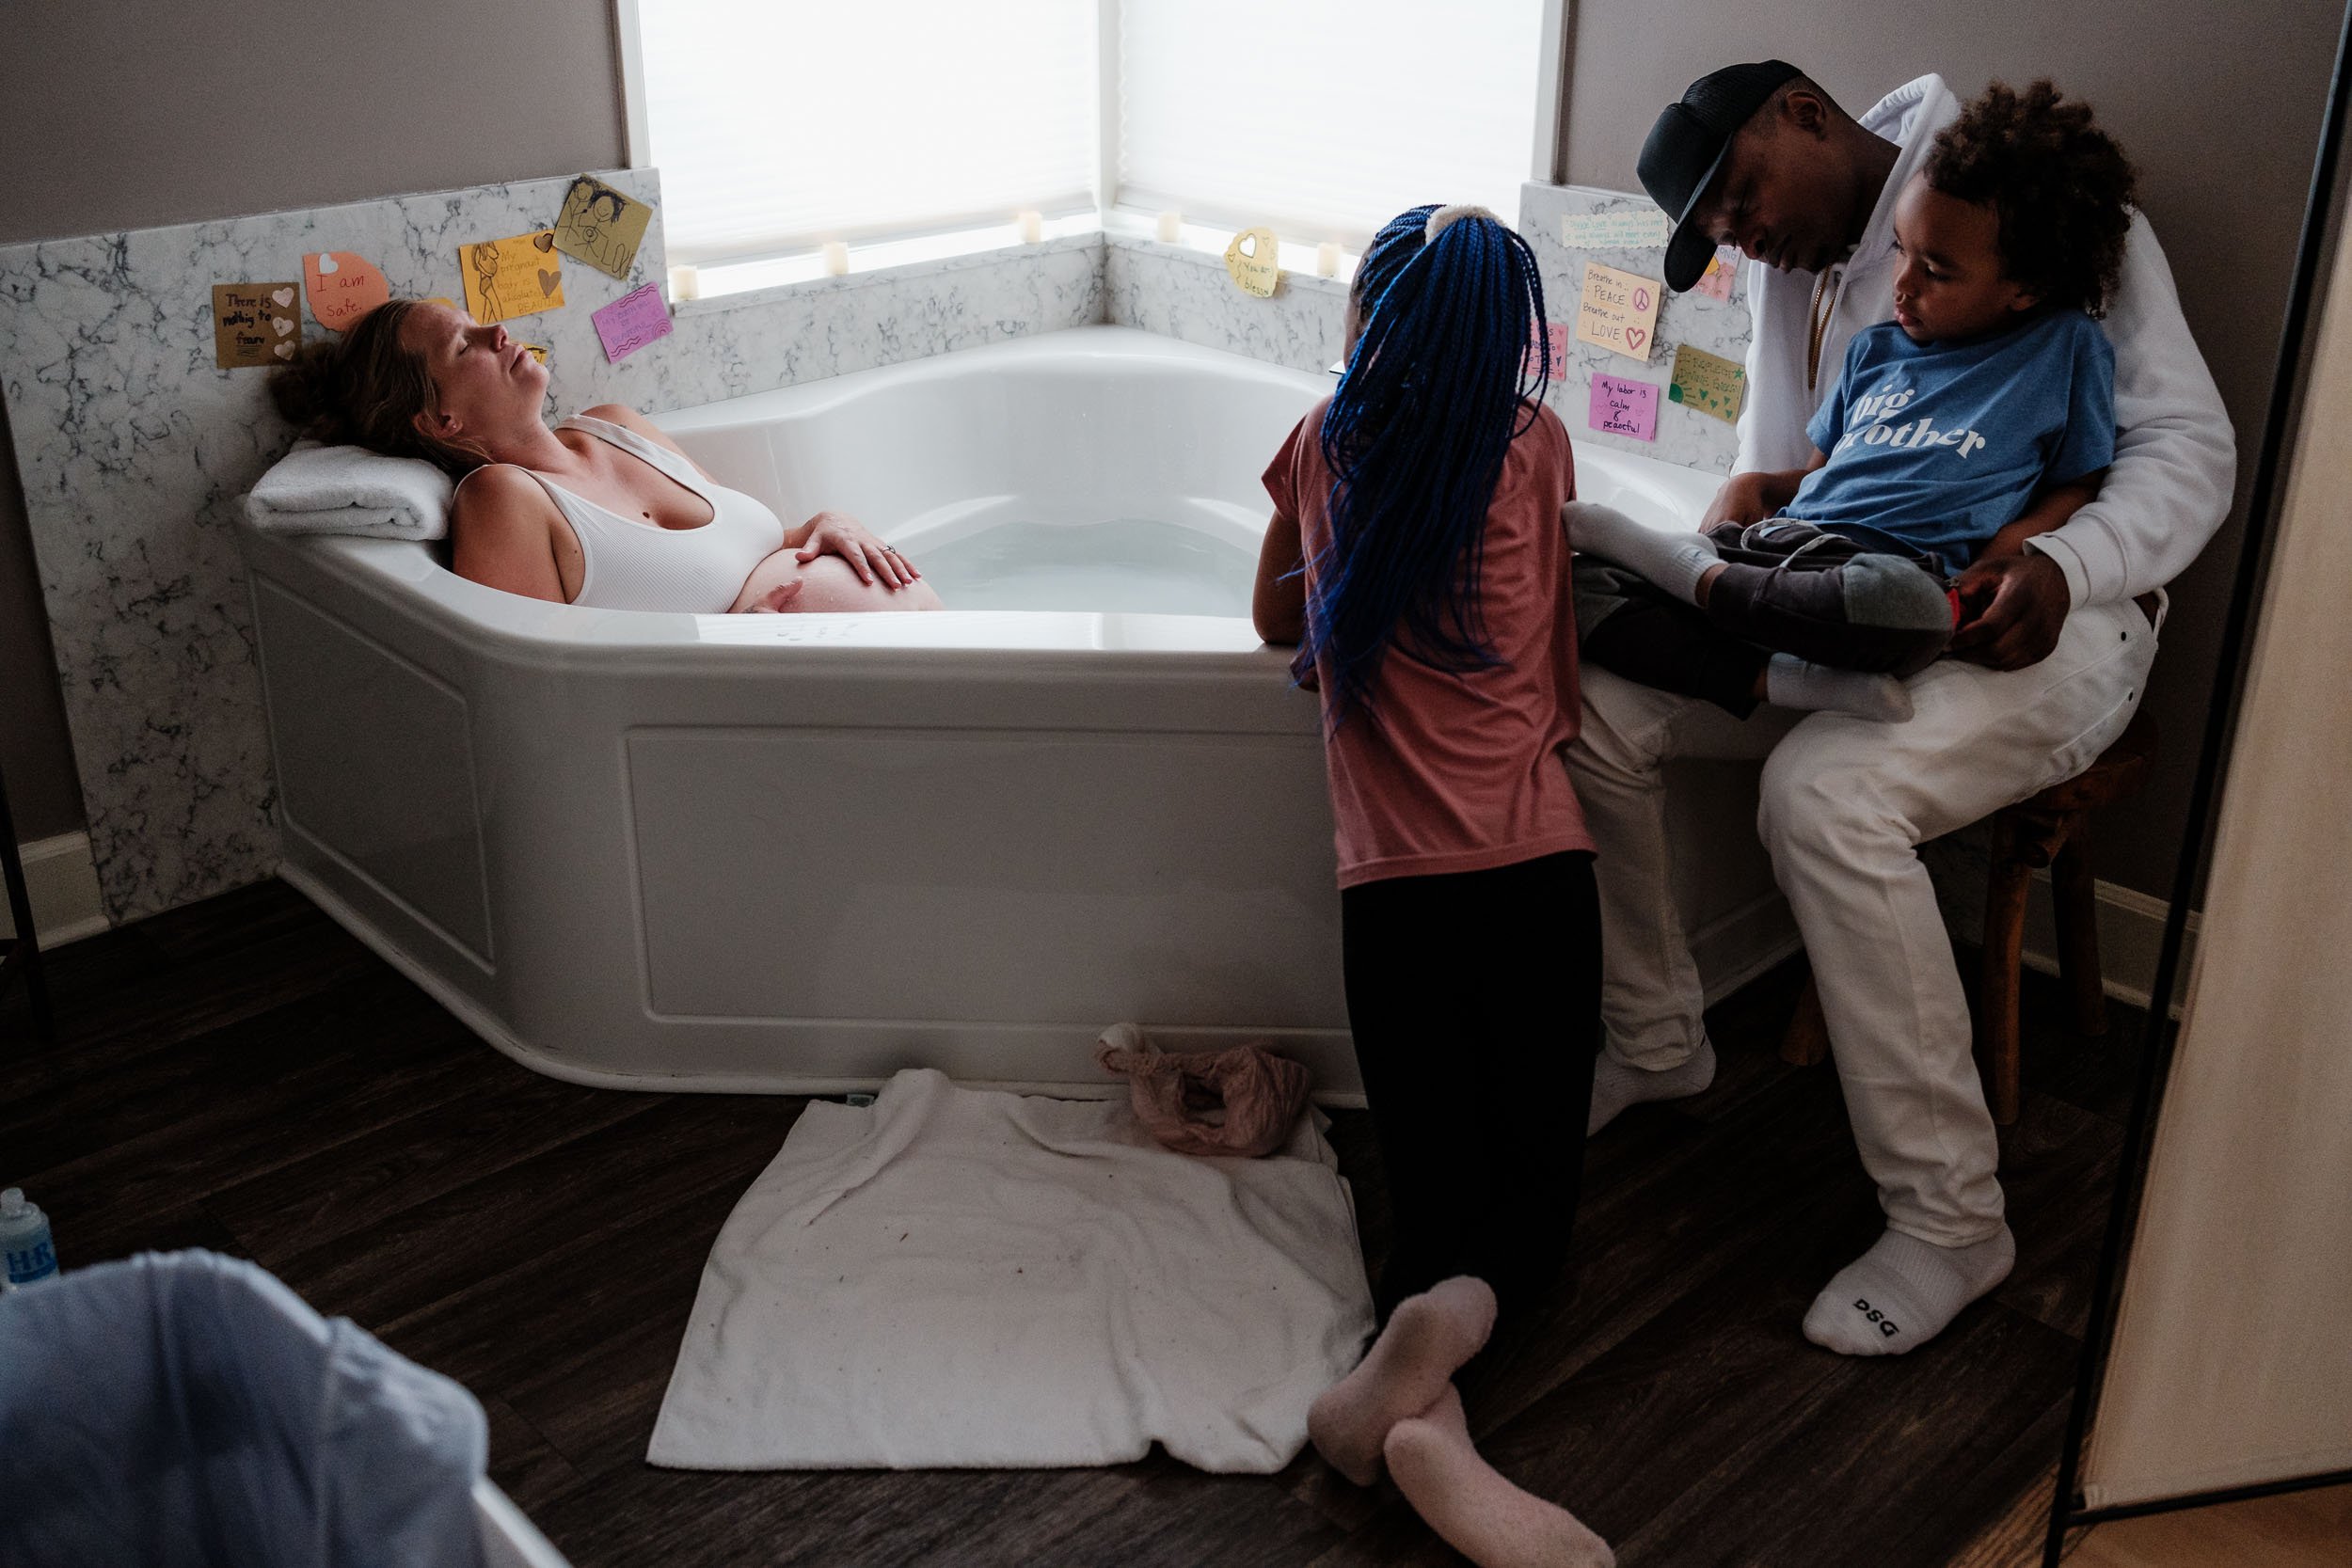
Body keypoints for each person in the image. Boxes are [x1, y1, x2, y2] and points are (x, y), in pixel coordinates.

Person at [1575, 60, 2233, 1358]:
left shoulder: (2033, 219)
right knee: (1595, 700)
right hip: (1851, 595)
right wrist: (1749, 510)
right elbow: (1804, 468)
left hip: (2055, 607)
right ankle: (1654, 1035)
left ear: (1807, 116)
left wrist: (2065, 563)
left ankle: (1951, 1218)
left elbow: (2185, 452)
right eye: (1710, 228)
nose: (1736, 234)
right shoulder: (1790, 278)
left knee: (1820, 792)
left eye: (1740, 193)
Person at [1252, 203, 1613, 1568]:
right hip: (1537, 874)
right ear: (1502, 337)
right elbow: (1555, 634)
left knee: (1434, 1191)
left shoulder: (1320, 440)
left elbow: (1275, 621)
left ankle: (1420, 1421)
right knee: (1529, 1220)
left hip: (1391, 899)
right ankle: (1422, 1396)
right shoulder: (1536, 447)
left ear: (1364, 322)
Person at [1568, 80, 2130, 730]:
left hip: (1882, 574)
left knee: (1913, 616)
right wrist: (1755, 485)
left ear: (2025, 286)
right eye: (1900, 252)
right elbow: (1816, 476)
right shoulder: (1875, 351)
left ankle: (1696, 583)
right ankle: (1750, 647)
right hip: (1785, 545)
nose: (1903, 283)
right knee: (1575, 592)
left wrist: (2008, 554)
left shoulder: (2066, 350)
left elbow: (2079, 482)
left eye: (1936, 269)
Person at [269, 298, 943, 614]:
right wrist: (737, 656)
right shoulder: (503, 498)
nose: (498, 329)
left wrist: (827, 522)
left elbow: (764, 542)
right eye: (463, 344)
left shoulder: (614, 425)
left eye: (478, 319)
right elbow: (546, 688)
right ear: (441, 419)